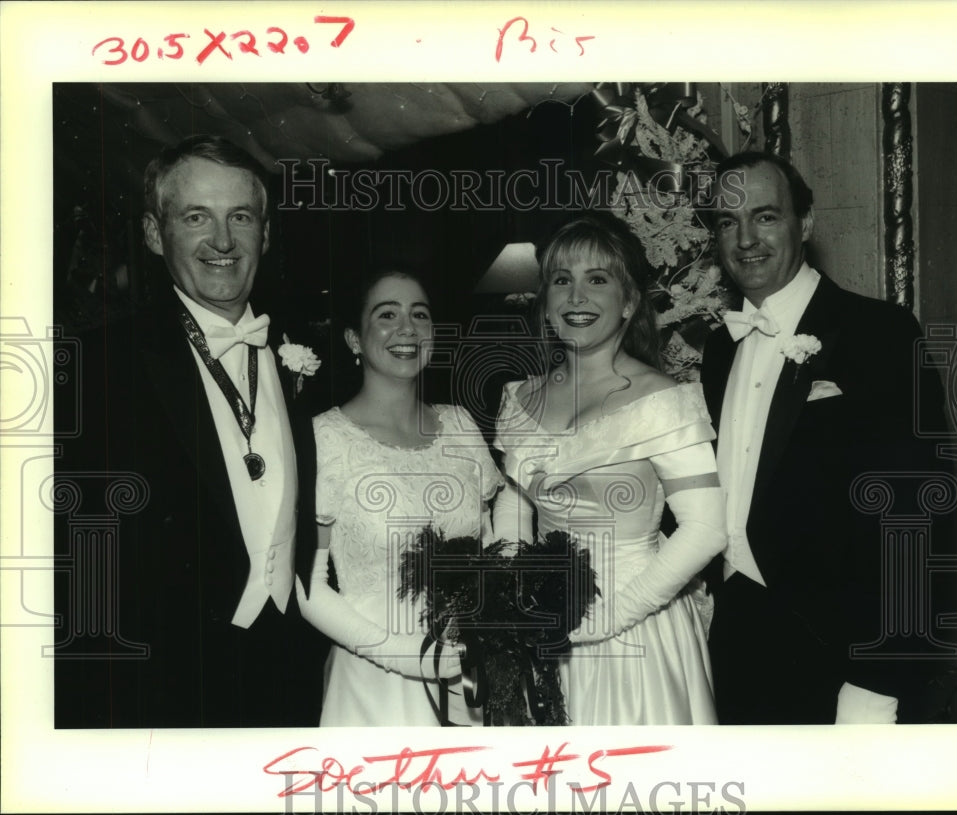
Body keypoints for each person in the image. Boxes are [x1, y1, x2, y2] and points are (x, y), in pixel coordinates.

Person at [53, 135, 327, 727]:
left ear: (266, 234)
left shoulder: (302, 355)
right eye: (196, 217)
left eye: (241, 218)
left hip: (292, 680)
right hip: (162, 695)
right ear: (155, 234)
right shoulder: (97, 367)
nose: (223, 241)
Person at [701, 151, 957, 724]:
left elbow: (918, 514)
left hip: (841, 653)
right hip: (736, 641)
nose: (746, 239)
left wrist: (881, 676)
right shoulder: (719, 349)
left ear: (805, 224)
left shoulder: (879, 333)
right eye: (727, 222)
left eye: (765, 217)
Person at [492, 214, 727, 726]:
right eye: (562, 280)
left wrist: (601, 621)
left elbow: (707, 530)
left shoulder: (662, 400)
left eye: (597, 279)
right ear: (546, 301)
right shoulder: (520, 396)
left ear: (628, 302)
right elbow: (514, 501)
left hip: (635, 622)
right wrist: (518, 589)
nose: (576, 297)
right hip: (544, 627)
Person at [296, 269, 505, 726]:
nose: (407, 328)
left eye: (420, 315)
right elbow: (305, 583)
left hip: (470, 669)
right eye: (387, 314)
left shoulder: (461, 425)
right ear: (354, 339)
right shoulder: (323, 438)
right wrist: (402, 655)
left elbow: (493, 538)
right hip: (378, 681)